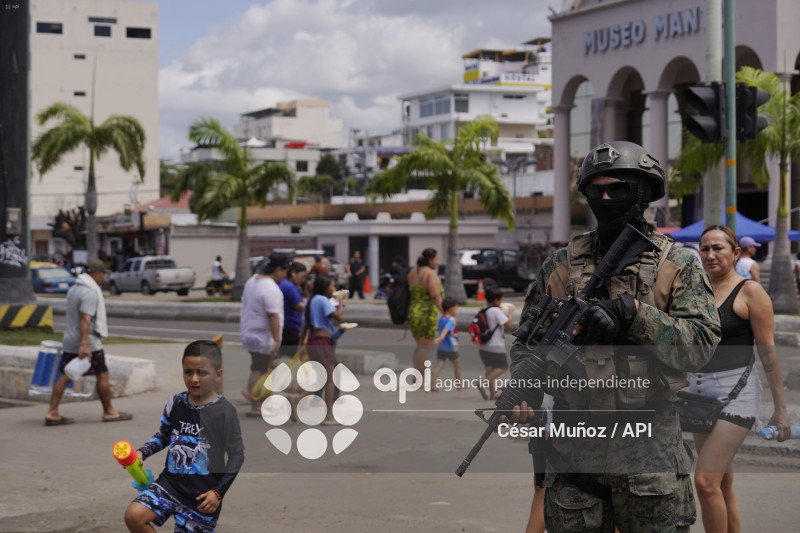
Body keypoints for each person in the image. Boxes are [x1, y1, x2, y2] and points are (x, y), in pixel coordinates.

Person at [509, 141, 721, 532]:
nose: (605, 198)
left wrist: (633, 315)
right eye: (596, 190)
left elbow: (701, 346)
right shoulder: (559, 265)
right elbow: (527, 341)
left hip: (648, 442)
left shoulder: (678, 264)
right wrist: (525, 390)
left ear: (641, 193)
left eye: (617, 189)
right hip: (575, 443)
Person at [692, 225, 790, 533]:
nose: (710, 255)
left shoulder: (751, 292)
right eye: (704, 248)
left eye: (717, 248)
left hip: (738, 394)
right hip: (698, 396)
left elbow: (769, 357)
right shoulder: (696, 291)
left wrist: (780, 409)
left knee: (706, 482)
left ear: (736, 253)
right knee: (722, 483)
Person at [124, 340, 244, 533]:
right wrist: (141, 453)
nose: (194, 379)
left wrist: (217, 493)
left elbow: (237, 455)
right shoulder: (176, 402)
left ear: (218, 375)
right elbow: (164, 435)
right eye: (188, 372)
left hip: (202, 497)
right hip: (169, 484)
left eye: (202, 372)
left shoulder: (224, 412)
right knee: (134, 516)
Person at [45, 258, 133, 425]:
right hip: (88, 342)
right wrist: (84, 345)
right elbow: (85, 320)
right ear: (96, 273)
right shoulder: (90, 292)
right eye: (102, 275)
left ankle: (52, 411)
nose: (103, 279)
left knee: (66, 374)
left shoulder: (74, 289)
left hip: (70, 340)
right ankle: (109, 412)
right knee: (102, 374)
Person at [239, 252, 289, 417]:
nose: (285, 276)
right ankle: (254, 402)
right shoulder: (271, 289)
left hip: (250, 333)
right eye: (285, 272)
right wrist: (276, 339)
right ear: (278, 269)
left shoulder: (252, 281)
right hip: (263, 338)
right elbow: (273, 316)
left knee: (268, 367)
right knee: (259, 370)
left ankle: (263, 399)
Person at [303, 275, 345, 425]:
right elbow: (338, 317)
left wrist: (302, 345)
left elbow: (305, 327)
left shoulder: (311, 301)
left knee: (320, 378)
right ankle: (328, 416)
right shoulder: (322, 300)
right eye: (332, 286)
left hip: (312, 342)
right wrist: (341, 300)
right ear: (325, 287)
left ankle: (298, 400)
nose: (334, 289)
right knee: (329, 380)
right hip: (322, 342)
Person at [407, 248, 444, 373]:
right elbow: (435, 295)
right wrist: (445, 312)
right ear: (430, 260)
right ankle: (423, 379)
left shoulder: (413, 272)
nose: (438, 262)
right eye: (436, 259)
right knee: (425, 348)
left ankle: (416, 376)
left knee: (420, 347)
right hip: (426, 315)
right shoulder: (430, 274)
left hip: (413, 313)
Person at [478, 286, 514, 400]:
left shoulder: (484, 309)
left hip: (484, 345)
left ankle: (493, 393)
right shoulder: (496, 311)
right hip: (496, 345)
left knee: (490, 367)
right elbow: (507, 324)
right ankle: (484, 384)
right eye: (500, 300)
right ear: (496, 300)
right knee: (503, 367)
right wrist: (511, 311)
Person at [278, 261, 308, 358]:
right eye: (302, 276)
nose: (302, 280)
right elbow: (300, 306)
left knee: (280, 356)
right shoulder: (289, 287)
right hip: (290, 328)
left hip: (283, 326)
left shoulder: (282, 283)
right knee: (300, 356)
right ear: (293, 272)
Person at [431, 296, 461, 389]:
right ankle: (459, 384)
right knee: (457, 365)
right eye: (456, 308)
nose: (456, 311)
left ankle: (432, 383)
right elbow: (446, 329)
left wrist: (439, 340)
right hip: (450, 346)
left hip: (441, 347)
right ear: (451, 308)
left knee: (439, 365)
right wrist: (441, 338)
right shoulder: (451, 320)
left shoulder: (442, 318)